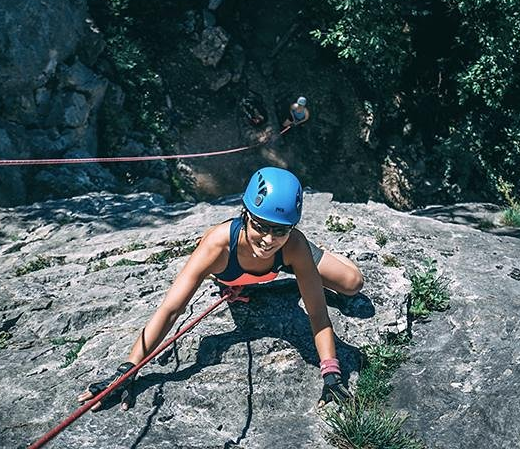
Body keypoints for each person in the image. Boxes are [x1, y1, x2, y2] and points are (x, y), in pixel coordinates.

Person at [78, 167, 364, 411]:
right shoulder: (217, 246)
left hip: (288, 260)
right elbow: (171, 309)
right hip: (247, 269)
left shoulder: (293, 243)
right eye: (261, 226)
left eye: (280, 229)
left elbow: (317, 314)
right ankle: (294, 269)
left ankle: (317, 257)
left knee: (352, 284)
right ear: (245, 214)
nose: (267, 239)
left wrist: (331, 373)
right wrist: (128, 370)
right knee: (270, 261)